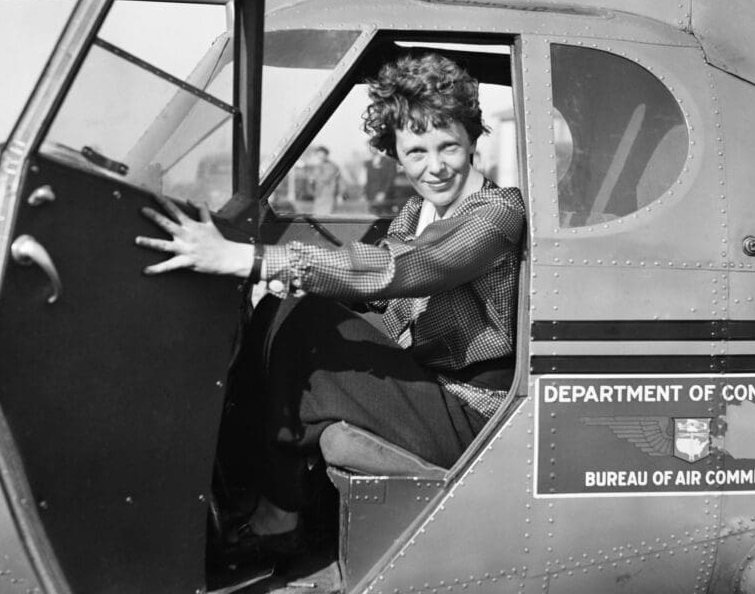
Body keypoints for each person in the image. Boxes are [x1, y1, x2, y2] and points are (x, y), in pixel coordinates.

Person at [136, 53, 525, 559]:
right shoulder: (416, 211)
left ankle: (279, 517)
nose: (435, 166)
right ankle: (240, 494)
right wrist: (288, 282)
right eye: (416, 152)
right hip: (429, 384)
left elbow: (398, 269)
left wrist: (251, 258)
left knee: (310, 323)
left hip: (471, 413)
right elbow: (379, 296)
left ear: (472, 139)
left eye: (448, 145)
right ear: (396, 154)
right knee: (288, 309)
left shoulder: (495, 213)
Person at [306, 145, 341, 215]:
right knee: (317, 216)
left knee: (327, 217)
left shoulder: (332, 166)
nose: (320, 156)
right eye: (318, 155)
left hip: (328, 196)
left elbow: (326, 178)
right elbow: (312, 180)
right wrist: (311, 181)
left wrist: (314, 178)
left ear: (326, 155)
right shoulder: (317, 166)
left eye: (322, 154)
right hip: (319, 195)